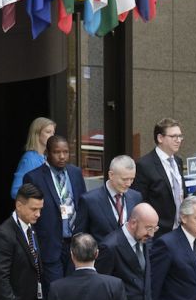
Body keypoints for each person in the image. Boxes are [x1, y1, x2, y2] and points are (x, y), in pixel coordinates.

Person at [24, 135, 87, 286]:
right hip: (50, 244)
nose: (62, 156)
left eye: (65, 152)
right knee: (55, 290)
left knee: (74, 290)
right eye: (57, 152)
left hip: (75, 244)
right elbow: (29, 215)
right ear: (47, 152)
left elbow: (83, 205)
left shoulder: (75, 173)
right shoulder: (34, 177)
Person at [132, 118, 186, 234]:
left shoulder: (178, 161)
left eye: (180, 136)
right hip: (157, 231)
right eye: (174, 136)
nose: (178, 140)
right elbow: (140, 201)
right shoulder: (144, 165)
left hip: (180, 229)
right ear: (160, 138)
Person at [74, 156, 141, 241]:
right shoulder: (89, 200)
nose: (129, 183)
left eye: (132, 179)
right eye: (125, 179)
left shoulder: (136, 197)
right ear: (111, 175)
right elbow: (79, 237)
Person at [9, 117, 55, 199]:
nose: (52, 136)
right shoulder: (29, 159)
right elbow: (16, 192)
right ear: (36, 133)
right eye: (48, 132)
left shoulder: (45, 157)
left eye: (53, 133)